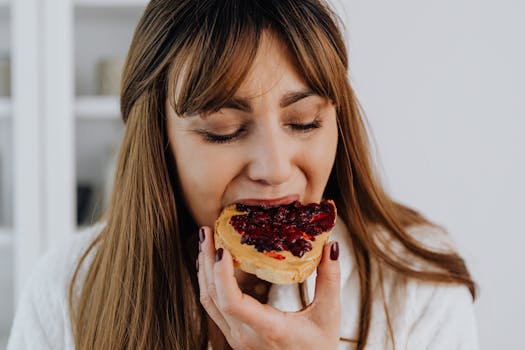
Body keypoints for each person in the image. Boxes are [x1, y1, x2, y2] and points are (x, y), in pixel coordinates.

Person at [7, 0, 479, 349]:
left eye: (304, 122)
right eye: (224, 131)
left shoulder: (418, 288)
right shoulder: (66, 292)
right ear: (158, 142)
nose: (274, 169)